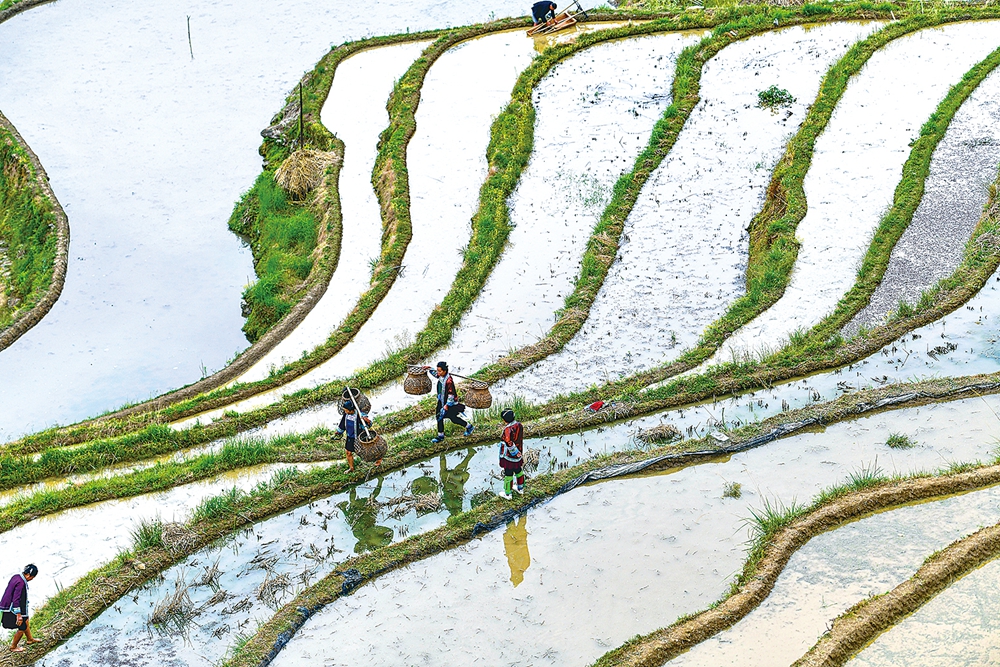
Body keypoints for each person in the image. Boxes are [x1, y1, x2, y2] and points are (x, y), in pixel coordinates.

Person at [430, 361, 474, 443]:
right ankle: (440, 436)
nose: (438, 372)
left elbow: (451, 394)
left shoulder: (449, 381)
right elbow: (436, 374)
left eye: (440, 371)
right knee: (439, 416)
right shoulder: (441, 376)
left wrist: (447, 405)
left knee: (453, 419)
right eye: (437, 370)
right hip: (441, 400)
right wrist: (429, 368)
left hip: (449, 403)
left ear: (445, 371)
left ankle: (469, 427)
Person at [1, 564, 40, 652]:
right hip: (11, 608)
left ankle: (30, 639)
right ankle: (13, 647)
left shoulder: (16, 577)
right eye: (32, 577)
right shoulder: (21, 583)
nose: (31, 579)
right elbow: (16, 599)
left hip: (6, 605)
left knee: (26, 620)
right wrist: (18, 614)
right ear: (29, 575)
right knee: (22, 626)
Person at [335, 400, 374, 472]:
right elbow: (342, 423)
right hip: (350, 437)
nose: (345, 411)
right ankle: (351, 468)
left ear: (351, 410)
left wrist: (367, 421)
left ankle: (378, 460)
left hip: (359, 437)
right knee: (348, 452)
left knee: (365, 452)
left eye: (346, 410)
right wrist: (339, 431)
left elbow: (368, 425)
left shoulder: (359, 415)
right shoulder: (346, 415)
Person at [498, 408, 525, 499]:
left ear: (504, 420)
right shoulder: (519, 425)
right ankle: (520, 488)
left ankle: (508, 493)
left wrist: (514, 452)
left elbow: (508, 442)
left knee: (508, 473)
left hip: (509, 455)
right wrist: (518, 453)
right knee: (518, 470)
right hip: (519, 451)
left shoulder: (508, 429)